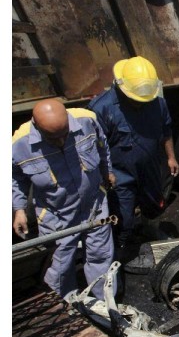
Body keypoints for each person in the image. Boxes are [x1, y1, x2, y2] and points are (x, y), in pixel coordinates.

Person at [13, 100, 115, 299]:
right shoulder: (18, 145)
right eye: (53, 138)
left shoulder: (87, 120)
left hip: (94, 204)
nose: (61, 142)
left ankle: (105, 303)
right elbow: (13, 179)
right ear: (36, 126)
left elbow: (102, 145)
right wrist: (18, 209)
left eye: (64, 134)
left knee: (101, 255)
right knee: (60, 263)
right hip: (56, 213)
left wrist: (107, 170)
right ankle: (67, 304)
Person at [88, 56, 179, 252]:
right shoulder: (101, 109)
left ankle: (147, 227)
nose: (140, 104)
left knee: (154, 203)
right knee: (123, 217)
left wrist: (171, 157)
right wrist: (104, 174)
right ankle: (122, 247)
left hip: (150, 168)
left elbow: (166, 131)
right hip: (120, 175)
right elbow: (92, 149)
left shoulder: (158, 103)